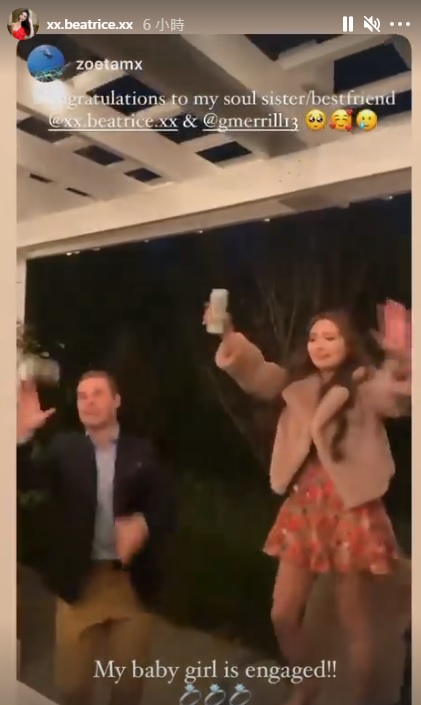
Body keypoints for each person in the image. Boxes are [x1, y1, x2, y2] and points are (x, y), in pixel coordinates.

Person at [204, 300, 411, 705]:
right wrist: (228, 334)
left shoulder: (364, 383)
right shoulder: (297, 384)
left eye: (330, 337)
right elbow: (259, 374)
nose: (320, 344)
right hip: (304, 508)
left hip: (351, 510)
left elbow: (396, 396)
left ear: (348, 344)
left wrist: (402, 359)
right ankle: (307, 678)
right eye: (314, 337)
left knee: (355, 623)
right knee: (282, 613)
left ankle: (362, 699)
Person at [17, 370, 176, 705]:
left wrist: (143, 524)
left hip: (130, 587)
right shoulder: (64, 449)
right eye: (82, 396)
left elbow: (166, 506)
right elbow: (26, 480)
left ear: (116, 401)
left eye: (97, 393)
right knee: (72, 689)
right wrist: (23, 436)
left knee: (127, 690)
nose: (88, 401)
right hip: (79, 585)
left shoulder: (143, 452)